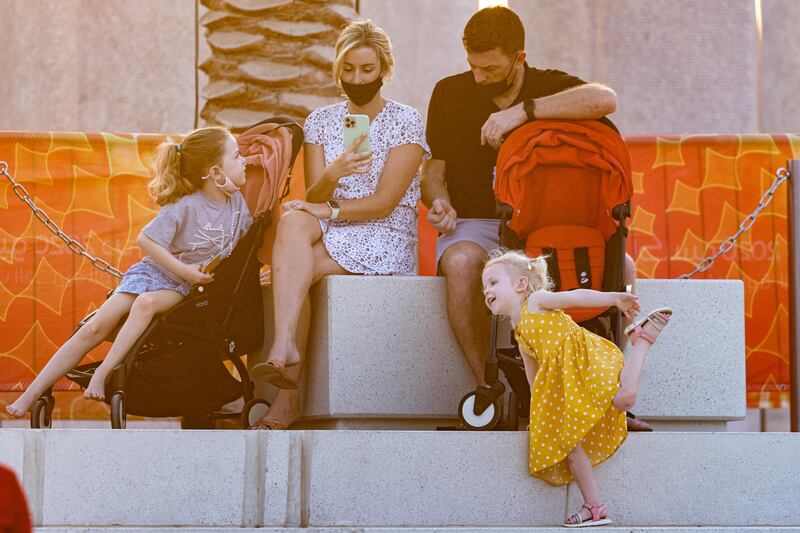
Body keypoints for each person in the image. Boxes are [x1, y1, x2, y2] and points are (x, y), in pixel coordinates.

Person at [421, 6, 648, 431]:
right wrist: (438, 202)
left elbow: (605, 99)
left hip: (541, 225)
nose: (478, 77)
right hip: (477, 222)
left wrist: (523, 112)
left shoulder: (549, 86)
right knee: (460, 262)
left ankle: (605, 395)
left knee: (625, 268)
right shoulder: (449, 93)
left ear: (519, 57)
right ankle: (490, 389)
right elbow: (434, 171)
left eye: (489, 68)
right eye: (472, 65)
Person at [247, 19, 430, 429]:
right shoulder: (320, 121)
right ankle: (284, 344)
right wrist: (333, 172)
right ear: (337, 70)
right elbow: (314, 196)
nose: (357, 79)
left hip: (385, 233)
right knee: (293, 222)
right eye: (348, 70)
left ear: (384, 69)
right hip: (334, 226)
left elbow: (384, 203)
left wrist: (330, 210)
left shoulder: (406, 120)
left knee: (296, 268)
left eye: (367, 69)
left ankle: (286, 396)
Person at [5, 126, 251, 416]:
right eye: (236, 156)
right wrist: (183, 268)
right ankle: (30, 394)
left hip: (186, 289)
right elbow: (146, 240)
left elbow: (243, 249)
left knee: (145, 303)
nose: (244, 160)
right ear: (215, 173)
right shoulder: (185, 206)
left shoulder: (237, 206)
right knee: (94, 326)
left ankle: (105, 372)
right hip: (157, 274)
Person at [481, 250, 672, 527]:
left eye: (493, 282)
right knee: (571, 447)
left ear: (520, 285)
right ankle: (594, 507)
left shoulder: (535, 301)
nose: (486, 290)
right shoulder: (519, 331)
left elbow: (575, 296)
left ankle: (642, 339)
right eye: (484, 285)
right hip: (563, 385)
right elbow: (534, 381)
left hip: (583, 361)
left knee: (625, 399)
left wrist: (614, 298)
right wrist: (541, 417)